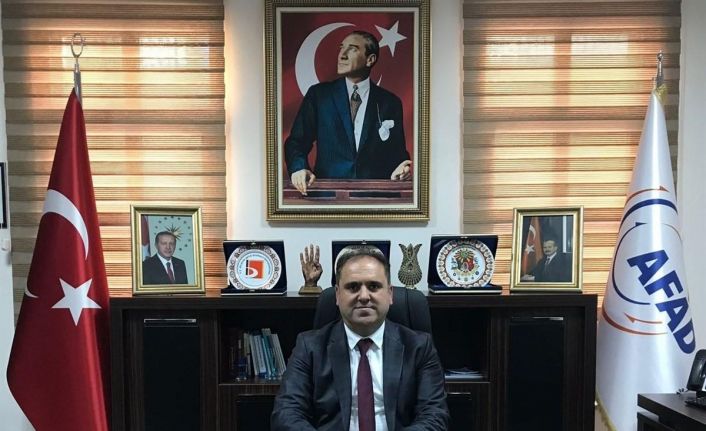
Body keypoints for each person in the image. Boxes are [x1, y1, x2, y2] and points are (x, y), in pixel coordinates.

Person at [271, 247, 450, 430]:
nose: (364, 296)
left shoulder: (419, 347)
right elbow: (286, 413)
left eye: (374, 286)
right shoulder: (309, 347)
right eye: (353, 287)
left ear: (390, 294)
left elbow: (434, 415)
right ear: (338, 295)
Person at [285, 30, 412, 195]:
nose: (342, 55)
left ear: (370, 59)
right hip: (328, 198)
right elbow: (296, 142)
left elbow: (398, 154)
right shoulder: (319, 95)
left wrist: (401, 169)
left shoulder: (390, 102)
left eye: (352, 49)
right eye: (341, 48)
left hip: (376, 199)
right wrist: (298, 168)